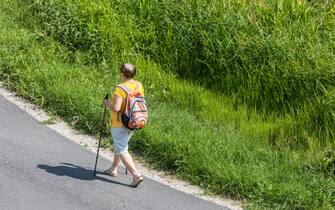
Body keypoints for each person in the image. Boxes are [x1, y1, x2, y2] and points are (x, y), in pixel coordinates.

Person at [103, 63, 144, 187]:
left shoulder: (120, 89)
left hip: (120, 123)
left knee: (121, 149)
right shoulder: (138, 85)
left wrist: (106, 103)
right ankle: (113, 169)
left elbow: (116, 108)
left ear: (122, 73)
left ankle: (136, 175)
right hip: (133, 121)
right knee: (121, 145)